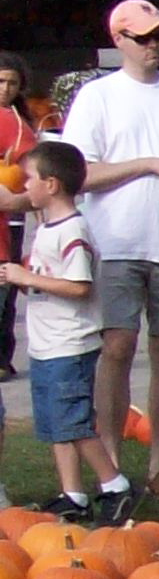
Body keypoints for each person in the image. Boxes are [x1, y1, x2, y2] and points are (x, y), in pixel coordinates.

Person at [62, 0, 159, 504]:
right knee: (116, 348)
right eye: (144, 37)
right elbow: (79, 173)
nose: (155, 45)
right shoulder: (97, 96)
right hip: (117, 240)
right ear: (119, 40)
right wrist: (149, 163)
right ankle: (110, 468)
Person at [0, 142, 123, 521]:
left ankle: (114, 484)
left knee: (74, 421)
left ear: (51, 185)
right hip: (47, 342)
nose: (23, 188)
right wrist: (26, 280)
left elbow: (79, 286)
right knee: (56, 424)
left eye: (29, 180)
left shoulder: (73, 230)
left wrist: (27, 276)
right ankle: (73, 493)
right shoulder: (49, 227)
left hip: (69, 343)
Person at [0, 51, 39, 378]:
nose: (5, 88)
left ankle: (3, 355)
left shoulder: (17, 125)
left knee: (8, 287)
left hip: (12, 214)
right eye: (0, 81)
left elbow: (35, 174)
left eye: (12, 83)